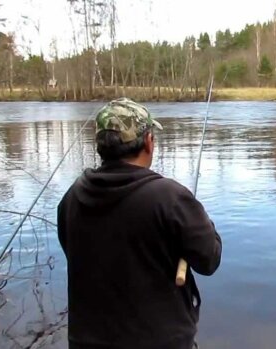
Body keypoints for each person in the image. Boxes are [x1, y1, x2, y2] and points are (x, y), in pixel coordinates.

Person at [57, 98, 222, 349]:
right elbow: (209, 259)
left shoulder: (71, 197)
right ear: (148, 142)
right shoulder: (169, 197)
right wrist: (204, 222)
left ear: (102, 146)